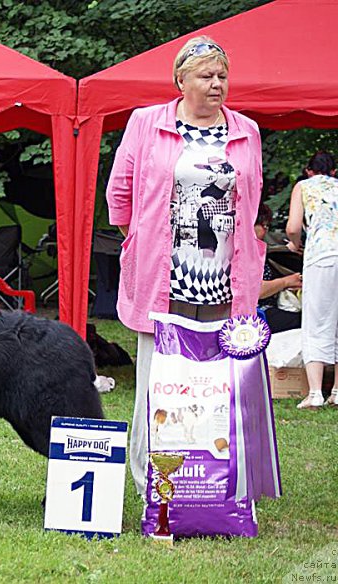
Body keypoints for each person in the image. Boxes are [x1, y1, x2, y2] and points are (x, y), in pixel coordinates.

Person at [106, 36, 266, 496]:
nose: (217, 84)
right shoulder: (146, 123)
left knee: (215, 386)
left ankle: (211, 483)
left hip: (225, 280)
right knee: (155, 381)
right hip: (163, 277)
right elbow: (120, 193)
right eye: (206, 76)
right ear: (181, 80)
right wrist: (142, 240)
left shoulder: (246, 130)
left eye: (222, 76)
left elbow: (251, 197)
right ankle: (149, 484)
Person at [286, 151, 338, 408]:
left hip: (321, 256)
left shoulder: (303, 186)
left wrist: (295, 244)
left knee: (316, 320)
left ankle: (315, 392)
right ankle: (337, 391)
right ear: (334, 172)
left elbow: (293, 227)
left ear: (308, 171)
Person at [255, 203, 302, 333]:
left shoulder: (259, 251)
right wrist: (286, 282)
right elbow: (255, 291)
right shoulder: (242, 254)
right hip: (257, 313)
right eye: (264, 226)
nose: (265, 231)